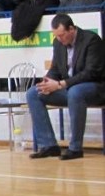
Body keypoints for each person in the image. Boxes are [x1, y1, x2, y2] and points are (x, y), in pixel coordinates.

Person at [27, 14, 105, 160]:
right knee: (33, 93)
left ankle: (75, 148)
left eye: (62, 35)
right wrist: (47, 82)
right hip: (69, 88)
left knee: (75, 92)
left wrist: (61, 84)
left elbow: (92, 72)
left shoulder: (91, 40)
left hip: (95, 88)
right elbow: (56, 68)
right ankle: (49, 145)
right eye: (56, 36)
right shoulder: (58, 43)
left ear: (71, 29)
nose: (59, 39)